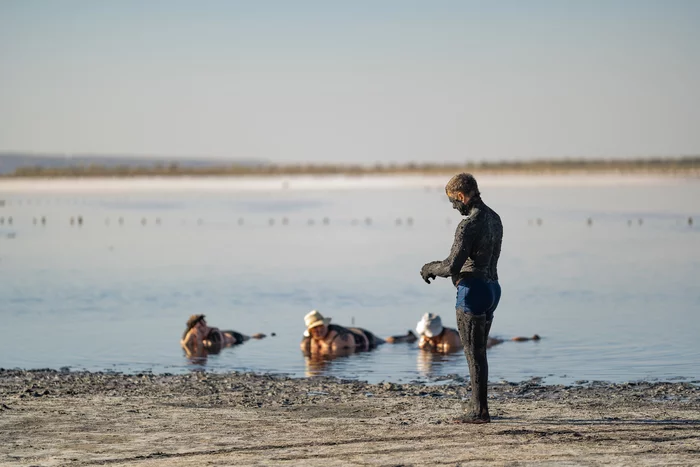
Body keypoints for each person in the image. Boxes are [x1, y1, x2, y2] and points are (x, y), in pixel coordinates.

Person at [420, 173, 503, 424]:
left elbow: (451, 266)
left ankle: (479, 412)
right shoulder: (495, 219)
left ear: (461, 196)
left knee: (472, 353)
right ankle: (481, 409)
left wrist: (429, 268)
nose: (455, 208)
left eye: (453, 202)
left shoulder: (468, 225)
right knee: (479, 353)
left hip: (472, 291)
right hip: (493, 288)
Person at [300, 310, 384, 356]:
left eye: (320, 326)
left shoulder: (337, 339)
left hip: (366, 338)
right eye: (314, 328)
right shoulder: (307, 340)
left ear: (325, 325)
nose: (318, 331)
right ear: (310, 330)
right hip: (351, 331)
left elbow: (340, 350)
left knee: (388, 341)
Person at [181, 314, 264, 358]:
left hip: (232, 337)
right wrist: (189, 338)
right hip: (223, 334)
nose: (203, 327)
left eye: (204, 323)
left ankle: (258, 335)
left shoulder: (214, 332)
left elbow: (216, 343)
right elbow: (183, 343)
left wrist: (199, 341)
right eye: (199, 326)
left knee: (250, 337)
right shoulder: (189, 332)